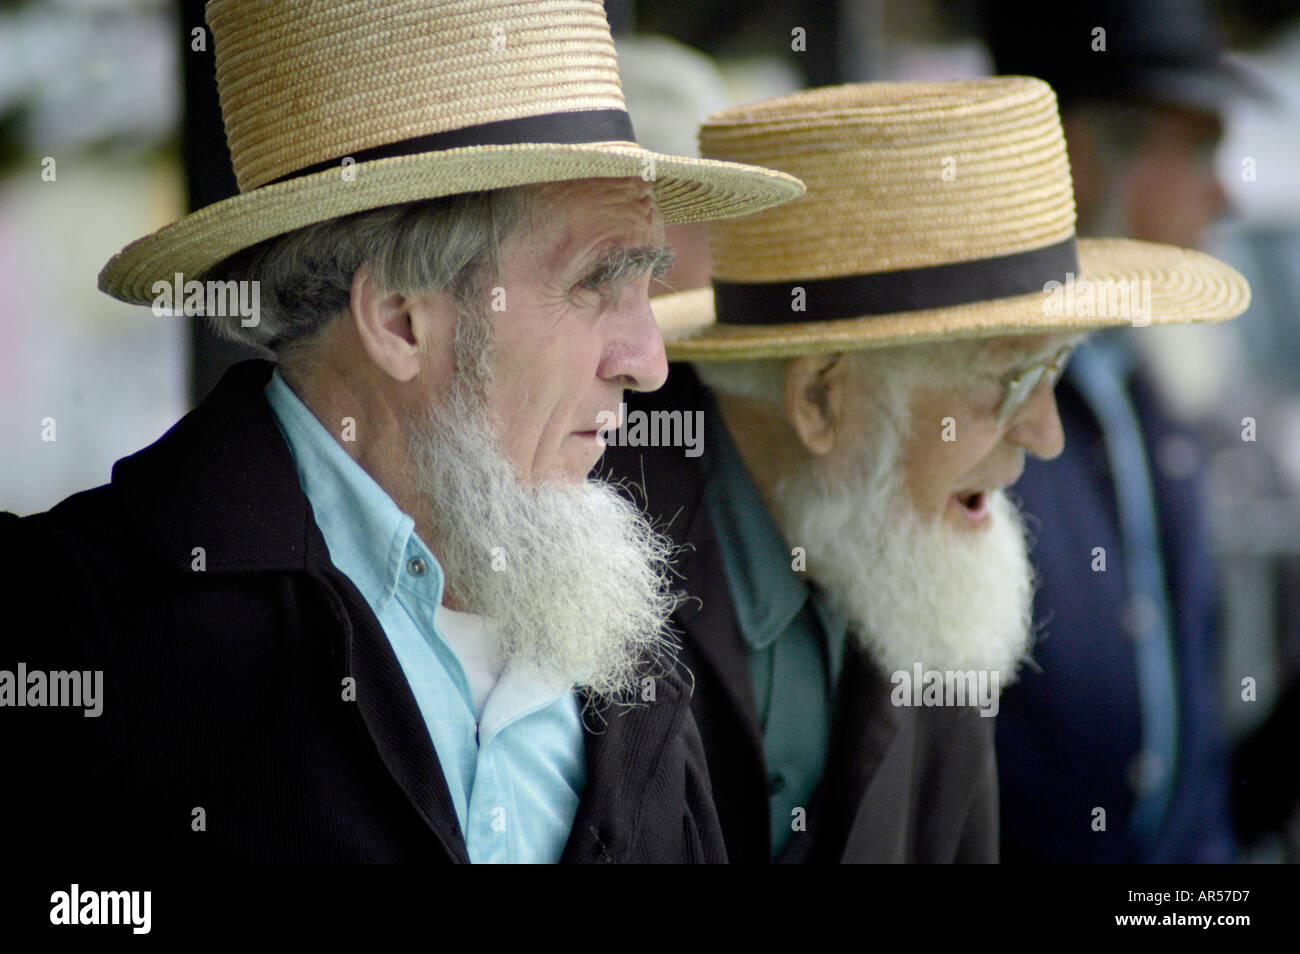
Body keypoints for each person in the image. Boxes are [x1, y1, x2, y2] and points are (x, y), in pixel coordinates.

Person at [0, 0, 802, 863]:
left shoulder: (627, 658)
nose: (648, 360)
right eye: (596, 283)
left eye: (647, 285)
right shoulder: (81, 630)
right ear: (399, 320)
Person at [601, 77, 1249, 863]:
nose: (1045, 436)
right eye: (1010, 381)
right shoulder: (595, 594)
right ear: (820, 399)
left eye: (1058, 372)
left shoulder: (925, 571)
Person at [981, 0, 1253, 862]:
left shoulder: (1142, 393)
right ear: (1088, 157)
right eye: (1198, 146)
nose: (1226, 190)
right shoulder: (978, 413)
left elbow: (1189, 775)